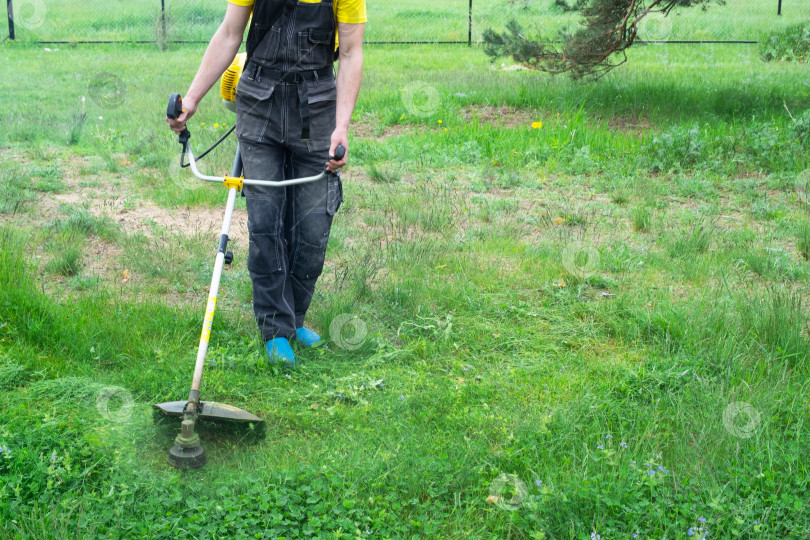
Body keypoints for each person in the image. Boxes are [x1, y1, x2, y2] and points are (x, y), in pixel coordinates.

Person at [167, 0, 366, 365]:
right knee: (265, 220)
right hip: (260, 104)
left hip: (318, 106)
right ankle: (275, 329)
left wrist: (342, 127)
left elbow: (351, 53)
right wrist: (192, 98)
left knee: (312, 224)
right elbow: (229, 34)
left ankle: (295, 317)